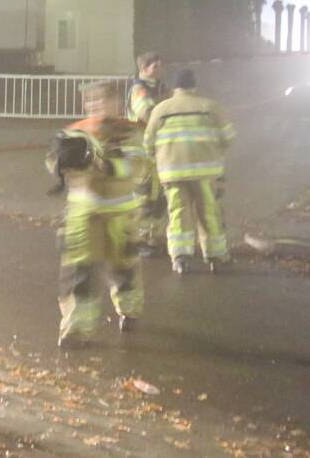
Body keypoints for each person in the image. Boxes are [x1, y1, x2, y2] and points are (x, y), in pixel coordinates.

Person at [46, 82, 149, 349]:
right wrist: (60, 162)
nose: (96, 106)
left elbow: (138, 165)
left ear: (116, 103)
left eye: (102, 100)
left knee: (123, 267)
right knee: (81, 271)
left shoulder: (130, 132)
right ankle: (76, 330)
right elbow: (53, 163)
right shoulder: (75, 131)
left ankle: (129, 309)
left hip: (120, 215)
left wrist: (104, 164)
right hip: (83, 216)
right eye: (91, 101)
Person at [144, 69, 235, 274]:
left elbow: (148, 143)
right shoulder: (211, 107)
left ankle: (180, 258)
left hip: (172, 172)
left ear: (175, 88)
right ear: (193, 86)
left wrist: (159, 158)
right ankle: (215, 256)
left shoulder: (160, 109)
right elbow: (228, 137)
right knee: (209, 213)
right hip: (205, 171)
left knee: (178, 212)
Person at [126, 52, 169, 257]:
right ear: (143, 68)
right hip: (140, 151)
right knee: (143, 197)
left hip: (157, 151)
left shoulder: (162, 87)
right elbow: (147, 114)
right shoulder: (139, 90)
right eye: (154, 67)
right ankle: (139, 239)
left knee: (159, 196)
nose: (159, 70)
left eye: (160, 66)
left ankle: (152, 237)